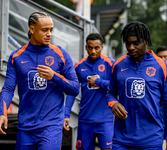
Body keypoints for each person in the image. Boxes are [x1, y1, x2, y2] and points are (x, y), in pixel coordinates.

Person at [0, 12, 80, 150]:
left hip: (51, 126)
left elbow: (75, 88)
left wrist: (54, 76)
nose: (49, 34)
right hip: (25, 127)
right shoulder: (16, 57)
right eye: (44, 30)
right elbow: (8, 89)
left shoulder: (61, 54)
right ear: (32, 29)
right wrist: (2, 113)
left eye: (51, 30)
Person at [107, 21, 167, 150]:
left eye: (135, 43)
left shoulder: (161, 66)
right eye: (127, 43)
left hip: (151, 140)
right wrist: (113, 103)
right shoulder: (118, 64)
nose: (131, 47)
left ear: (146, 41)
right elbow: (110, 92)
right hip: (121, 140)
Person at [64, 33, 115, 150]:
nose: (93, 51)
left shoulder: (111, 64)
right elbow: (72, 91)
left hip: (105, 120)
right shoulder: (79, 66)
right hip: (85, 120)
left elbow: (118, 86)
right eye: (90, 47)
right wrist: (66, 114)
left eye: (96, 48)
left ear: (102, 47)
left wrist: (99, 82)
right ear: (86, 47)